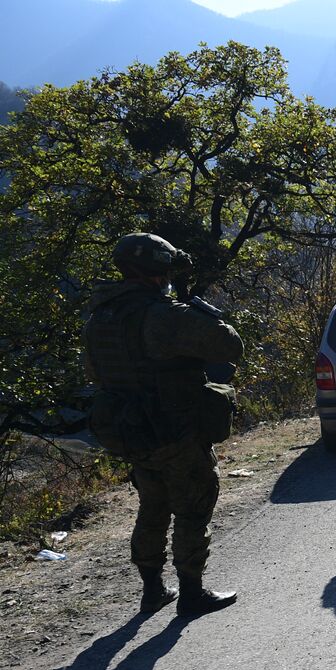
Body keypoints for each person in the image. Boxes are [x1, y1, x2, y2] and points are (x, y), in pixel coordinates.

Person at [82, 233, 243, 615]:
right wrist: (196, 308)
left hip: (132, 430)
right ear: (158, 272)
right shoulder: (162, 315)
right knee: (193, 505)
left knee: (152, 505)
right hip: (175, 428)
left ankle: (152, 590)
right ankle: (191, 592)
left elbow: (94, 372)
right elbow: (229, 346)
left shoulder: (100, 318)